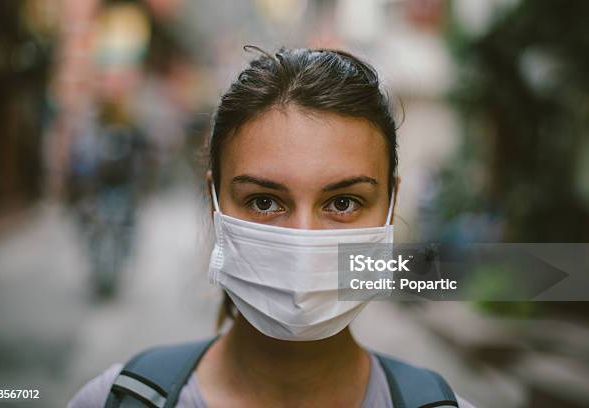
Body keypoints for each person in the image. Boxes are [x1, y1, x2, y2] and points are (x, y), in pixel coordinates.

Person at [69, 47, 474, 407]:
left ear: (390, 204)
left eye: (342, 203)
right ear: (215, 204)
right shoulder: (115, 400)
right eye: (264, 202)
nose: (303, 240)